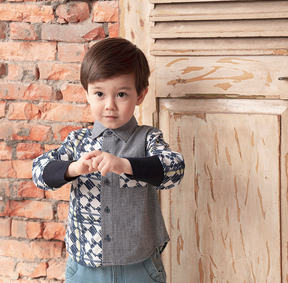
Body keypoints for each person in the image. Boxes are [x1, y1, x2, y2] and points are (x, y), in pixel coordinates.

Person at [32, 37, 185, 283]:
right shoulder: (76, 142)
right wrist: (73, 168)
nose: (110, 105)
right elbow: (39, 173)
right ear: (87, 95)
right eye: (100, 94)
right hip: (84, 269)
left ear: (140, 95)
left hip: (140, 266)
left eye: (121, 94)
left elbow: (174, 169)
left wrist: (124, 165)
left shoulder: (148, 139)